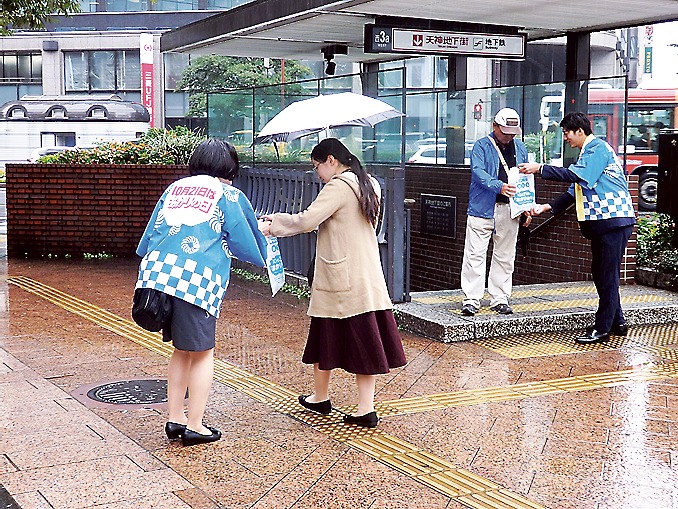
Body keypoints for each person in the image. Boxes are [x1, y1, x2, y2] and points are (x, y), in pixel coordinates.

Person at [259, 138, 406, 428]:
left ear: (331, 160)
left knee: (328, 338)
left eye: (317, 167)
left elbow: (307, 220)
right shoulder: (369, 183)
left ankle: (328, 398)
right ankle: (346, 402)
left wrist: (271, 223)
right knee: (361, 342)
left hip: (341, 279)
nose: (318, 175)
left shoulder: (339, 186)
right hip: (364, 276)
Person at [136, 139, 268, 446]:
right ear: (229, 169)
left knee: (181, 350)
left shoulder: (174, 190)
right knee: (203, 352)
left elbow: (148, 238)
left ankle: (175, 418)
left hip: (157, 275)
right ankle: (195, 425)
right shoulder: (228, 194)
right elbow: (246, 241)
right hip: (197, 279)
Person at [519, 112, 636, 344]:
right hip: (606, 223)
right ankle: (617, 321)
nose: (565, 138)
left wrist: (539, 168)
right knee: (603, 273)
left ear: (579, 131)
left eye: (566, 133)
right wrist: (548, 207)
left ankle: (602, 329)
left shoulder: (597, 149)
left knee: (605, 275)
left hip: (613, 221)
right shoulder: (589, 153)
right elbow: (575, 191)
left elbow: (575, 176)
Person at [460, 107, 531, 316]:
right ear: (494, 126)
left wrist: (525, 207)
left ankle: (500, 298)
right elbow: (478, 173)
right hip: (482, 207)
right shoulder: (481, 146)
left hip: (510, 208)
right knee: (475, 254)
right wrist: (499, 186)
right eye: (505, 131)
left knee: (506, 255)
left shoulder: (520, 147)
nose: (509, 136)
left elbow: (525, 181)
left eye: (512, 132)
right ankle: (471, 299)